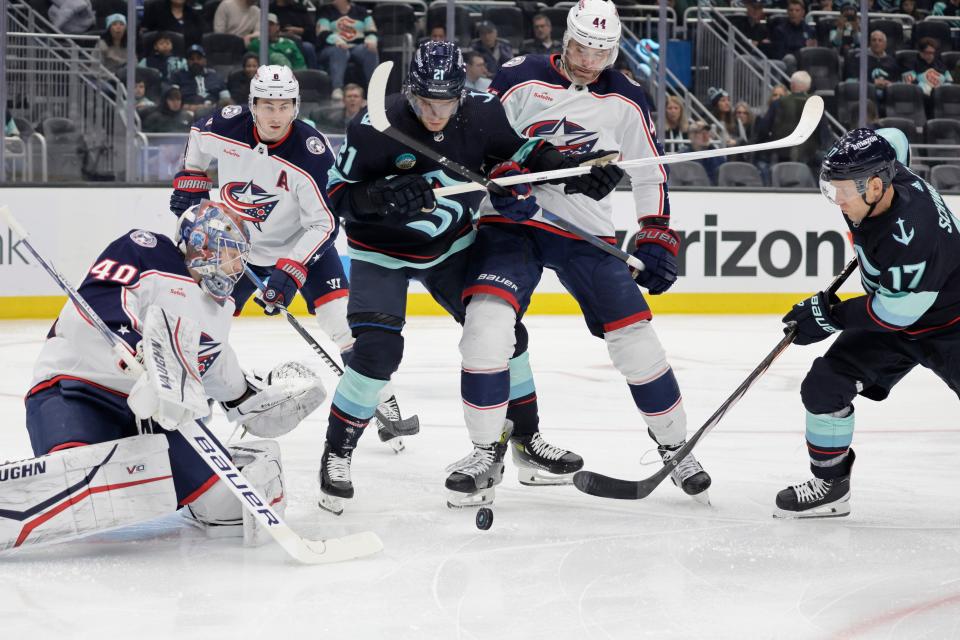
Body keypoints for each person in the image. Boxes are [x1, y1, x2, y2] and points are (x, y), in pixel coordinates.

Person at [318, 40, 620, 513]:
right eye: (425, 102)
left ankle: (526, 439)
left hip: (451, 247)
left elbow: (523, 155)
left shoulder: (482, 113)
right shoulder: (374, 127)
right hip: (380, 252)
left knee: (504, 333)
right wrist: (377, 197)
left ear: (462, 93)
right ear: (410, 92)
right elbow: (336, 195)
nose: (436, 113)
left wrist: (575, 172)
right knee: (377, 352)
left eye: (446, 102)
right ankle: (336, 453)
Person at [457, 0, 712, 508]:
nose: (587, 62)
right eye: (579, 49)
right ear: (564, 41)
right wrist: (502, 177)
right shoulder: (520, 78)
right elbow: (477, 139)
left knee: (635, 336)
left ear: (613, 51)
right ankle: (485, 451)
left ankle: (675, 447)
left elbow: (649, 172)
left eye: (600, 53)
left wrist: (656, 232)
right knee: (486, 325)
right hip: (512, 219)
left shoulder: (627, 98)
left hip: (583, 228)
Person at [18, 201, 325, 546]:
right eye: (232, 253)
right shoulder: (144, 249)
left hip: (156, 419)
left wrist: (251, 401)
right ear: (203, 242)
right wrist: (137, 354)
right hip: (80, 391)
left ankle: (222, 467)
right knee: (73, 478)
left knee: (230, 510)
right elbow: (96, 308)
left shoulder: (218, 306)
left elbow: (212, 363)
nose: (237, 266)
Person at [170, 65, 410, 447]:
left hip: (303, 249)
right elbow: (198, 137)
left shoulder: (311, 153)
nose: (276, 115)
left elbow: (325, 224)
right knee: (204, 323)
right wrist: (192, 179)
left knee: (343, 325)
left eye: (284, 106)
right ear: (252, 105)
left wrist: (290, 270)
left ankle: (384, 402)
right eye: (267, 105)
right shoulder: (226, 125)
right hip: (239, 248)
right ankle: (194, 402)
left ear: (296, 106)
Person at [774, 128, 960, 518]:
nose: (837, 201)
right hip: (903, 317)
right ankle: (832, 485)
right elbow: (896, 137)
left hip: (950, 326)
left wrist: (829, 315)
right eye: (831, 189)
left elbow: (897, 312)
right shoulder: (888, 167)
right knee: (825, 386)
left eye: (843, 191)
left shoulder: (912, 234)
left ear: (875, 186)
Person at [316, 0, 379, 101]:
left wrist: (371, 41)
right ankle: (337, 88)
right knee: (339, 51)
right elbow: (322, 32)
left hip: (357, 46)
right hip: (332, 46)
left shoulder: (361, 11)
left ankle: (374, 89)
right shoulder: (325, 11)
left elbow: (372, 31)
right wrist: (338, 41)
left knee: (370, 50)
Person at [172, 45, 231, 116]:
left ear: (204, 60)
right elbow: (173, 97)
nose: (195, 61)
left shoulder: (215, 76)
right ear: (187, 61)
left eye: (199, 58)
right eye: (192, 59)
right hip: (187, 112)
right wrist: (190, 107)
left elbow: (227, 99)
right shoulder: (178, 76)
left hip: (214, 112)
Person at [271, 0, 320, 69]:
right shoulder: (271, 9)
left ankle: (312, 74)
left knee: (308, 47)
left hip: (300, 40)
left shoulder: (299, 8)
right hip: (277, 40)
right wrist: (282, 34)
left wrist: (297, 30)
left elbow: (311, 30)